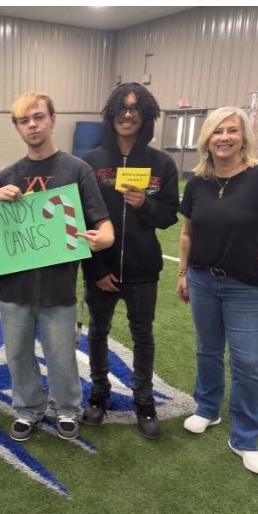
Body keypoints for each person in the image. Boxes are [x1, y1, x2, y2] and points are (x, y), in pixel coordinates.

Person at [0, 92, 113, 442]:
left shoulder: (76, 170)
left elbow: (103, 224)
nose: (32, 125)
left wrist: (103, 238)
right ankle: (28, 409)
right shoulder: (8, 175)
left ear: (52, 120)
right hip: (14, 286)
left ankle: (66, 408)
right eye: (24, 120)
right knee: (17, 354)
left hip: (59, 285)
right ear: (17, 127)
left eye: (38, 117)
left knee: (61, 355)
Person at [176, 107, 258, 476]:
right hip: (203, 280)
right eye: (216, 131)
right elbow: (188, 232)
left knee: (248, 363)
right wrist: (182, 272)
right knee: (207, 350)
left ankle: (244, 437)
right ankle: (207, 409)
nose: (224, 137)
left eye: (232, 131)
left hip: (248, 287)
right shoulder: (197, 183)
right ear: (206, 138)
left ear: (244, 137)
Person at [79, 84, 180, 438]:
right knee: (98, 332)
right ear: (111, 113)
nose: (127, 113)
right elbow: (79, 221)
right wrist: (96, 268)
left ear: (146, 116)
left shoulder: (162, 163)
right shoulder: (89, 163)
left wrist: (145, 205)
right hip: (100, 269)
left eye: (136, 108)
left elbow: (169, 215)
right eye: (122, 107)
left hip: (142, 270)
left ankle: (144, 399)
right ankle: (99, 393)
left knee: (143, 336)